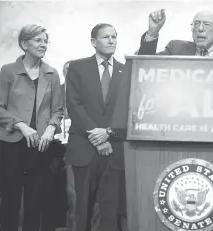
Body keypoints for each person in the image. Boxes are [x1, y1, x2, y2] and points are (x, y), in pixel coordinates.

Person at [0, 24, 63, 231]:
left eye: (45, 41)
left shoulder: (52, 73)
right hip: (12, 144)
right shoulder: (8, 71)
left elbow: (58, 111)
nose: (43, 44)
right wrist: (21, 126)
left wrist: (51, 129)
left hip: (41, 147)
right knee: (10, 199)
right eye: (38, 40)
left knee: (36, 202)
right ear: (24, 44)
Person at [65, 23, 126, 231]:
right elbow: (74, 105)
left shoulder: (125, 71)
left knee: (111, 212)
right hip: (84, 149)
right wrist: (96, 137)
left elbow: (125, 110)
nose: (112, 41)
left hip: (114, 151)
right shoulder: (77, 67)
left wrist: (108, 134)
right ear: (93, 42)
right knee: (82, 209)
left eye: (114, 37)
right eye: (106, 37)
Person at [138, 7, 213, 57]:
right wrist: (153, 32)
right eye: (196, 24)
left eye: (206, 25)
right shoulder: (175, 49)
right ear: (192, 29)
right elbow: (145, 66)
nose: (200, 29)